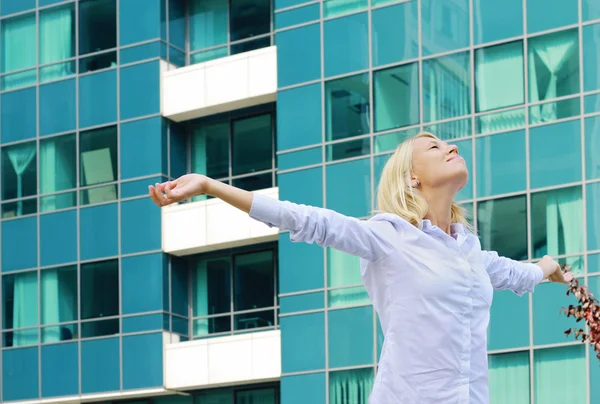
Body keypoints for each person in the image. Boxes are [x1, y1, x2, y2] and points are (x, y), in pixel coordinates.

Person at [148, 132, 572, 404]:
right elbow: (306, 219)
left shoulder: (470, 252)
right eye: (435, 146)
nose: (451, 147)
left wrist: (550, 267)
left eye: (448, 144)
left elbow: (519, 274)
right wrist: (209, 186)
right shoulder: (387, 237)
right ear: (411, 179)